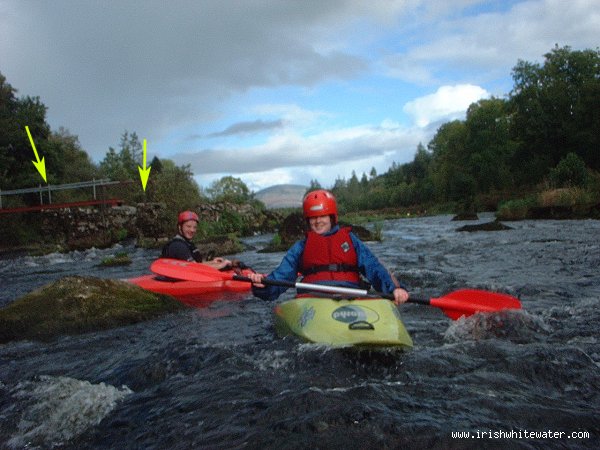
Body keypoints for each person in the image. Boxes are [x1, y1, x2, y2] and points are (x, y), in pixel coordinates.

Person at [248, 190, 409, 305]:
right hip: (313, 298)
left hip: (351, 295)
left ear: (332, 217)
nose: (318, 222)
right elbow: (282, 276)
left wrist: (394, 289)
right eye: (313, 218)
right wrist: (263, 286)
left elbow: (373, 267)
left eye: (322, 216)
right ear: (307, 221)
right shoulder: (301, 247)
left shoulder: (351, 240)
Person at [161, 210, 232, 270]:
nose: (192, 230)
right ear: (180, 227)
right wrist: (221, 265)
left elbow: (198, 264)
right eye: (188, 226)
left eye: (194, 227)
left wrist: (213, 262)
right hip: (176, 282)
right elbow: (195, 267)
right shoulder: (177, 246)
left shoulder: (188, 244)